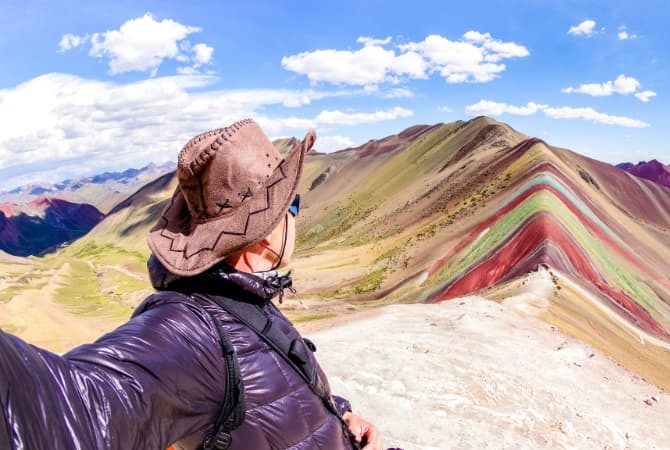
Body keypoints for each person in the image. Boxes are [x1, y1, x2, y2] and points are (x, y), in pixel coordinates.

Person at [0, 119, 383, 449]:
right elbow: (82, 408)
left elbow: (278, 390)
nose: (297, 216)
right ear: (267, 232)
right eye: (293, 205)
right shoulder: (190, 330)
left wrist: (340, 414)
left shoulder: (243, 292)